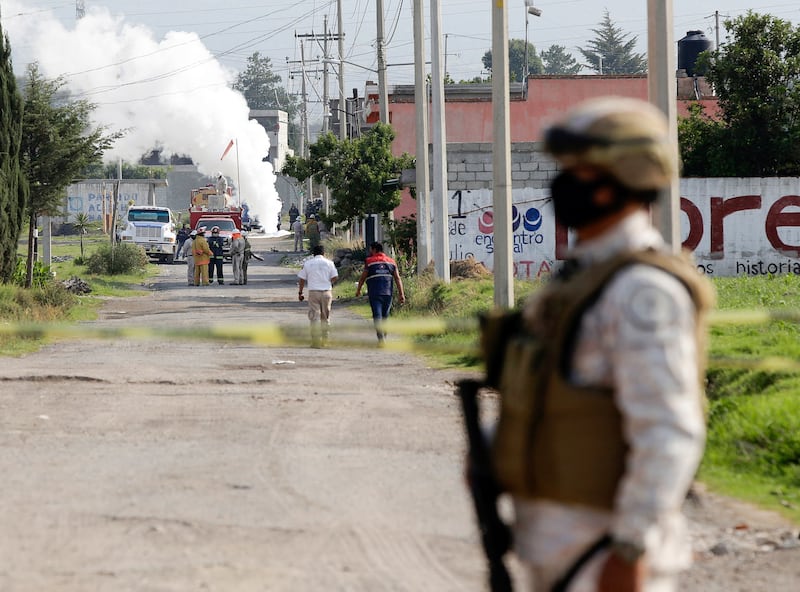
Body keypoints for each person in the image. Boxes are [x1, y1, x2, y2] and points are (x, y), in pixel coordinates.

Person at [484, 97, 714, 592]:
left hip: (604, 556)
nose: (564, 183)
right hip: (558, 549)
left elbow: (669, 431)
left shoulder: (642, 291)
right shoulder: (580, 278)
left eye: (581, 172)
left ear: (622, 180)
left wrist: (630, 549)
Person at [355, 242, 406, 344]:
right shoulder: (391, 262)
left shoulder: (369, 261)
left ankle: (381, 338)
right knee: (385, 316)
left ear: (374, 250)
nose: (370, 252)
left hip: (374, 293)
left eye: (371, 250)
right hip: (388, 293)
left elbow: (362, 278)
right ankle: (384, 335)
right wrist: (401, 294)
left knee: (377, 316)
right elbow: (397, 278)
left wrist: (358, 290)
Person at [297, 244, 338, 348]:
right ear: (323, 253)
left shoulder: (308, 263)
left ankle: (315, 341)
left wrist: (300, 292)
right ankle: (325, 340)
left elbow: (302, 279)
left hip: (313, 292)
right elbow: (335, 277)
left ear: (313, 254)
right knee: (325, 317)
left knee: (314, 317)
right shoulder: (329, 263)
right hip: (326, 292)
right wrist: (329, 283)